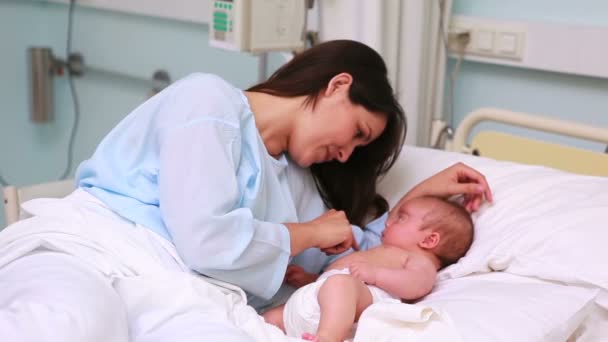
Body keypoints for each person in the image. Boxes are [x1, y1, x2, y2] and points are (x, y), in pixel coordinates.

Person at [0, 38, 491, 341]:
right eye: (358, 134)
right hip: (93, 252)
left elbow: (363, 248)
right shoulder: (208, 100)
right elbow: (206, 238)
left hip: (178, 292)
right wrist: (308, 233)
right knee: (72, 326)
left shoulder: (302, 188)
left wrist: (423, 196)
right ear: (339, 85)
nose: (345, 155)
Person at [262, 196, 474, 342]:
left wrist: (376, 275)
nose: (388, 223)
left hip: (358, 303)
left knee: (340, 285)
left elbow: (417, 284)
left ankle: (329, 337)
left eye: (401, 218)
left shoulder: (419, 260)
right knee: (270, 317)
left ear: (429, 240)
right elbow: (333, 281)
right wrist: (311, 280)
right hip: (317, 301)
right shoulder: (381, 250)